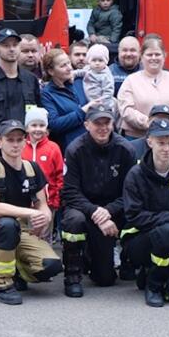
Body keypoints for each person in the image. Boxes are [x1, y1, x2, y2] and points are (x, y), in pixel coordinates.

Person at [0, 119, 61, 304]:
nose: (15, 144)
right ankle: (1, 284)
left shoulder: (32, 168)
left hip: (23, 230)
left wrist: (44, 218)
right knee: (7, 225)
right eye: (10, 139)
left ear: (25, 141)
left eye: (19, 139)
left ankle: (16, 271)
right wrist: (30, 213)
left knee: (51, 266)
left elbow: (43, 205)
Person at [120, 119, 169, 307]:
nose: (166, 148)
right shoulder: (135, 174)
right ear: (149, 142)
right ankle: (153, 285)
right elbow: (134, 216)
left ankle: (149, 275)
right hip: (139, 241)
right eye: (161, 143)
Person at [59, 104, 135, 296]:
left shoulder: (125, 149)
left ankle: (124, 261)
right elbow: (70, 192)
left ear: (113, 123)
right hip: (83, 208)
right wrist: (95, 212)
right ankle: (72, 275)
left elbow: (131, 192)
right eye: (97, 123)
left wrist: (108, 211)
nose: (103, 127)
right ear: (86, 125)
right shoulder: (75, 150)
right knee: (73, 221)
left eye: (107, 122)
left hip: (114, 210)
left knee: (105, 279)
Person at [116, 35, 169, 138]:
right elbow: (126, 109)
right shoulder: (130, 81)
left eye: (157, 54)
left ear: (164, 56)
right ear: (141, 57)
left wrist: (168, 125)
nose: (153, 58)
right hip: (136, 138)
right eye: (149, 54)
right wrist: (148, 122)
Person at [42, 48, 91, 149]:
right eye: (63, 66)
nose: (69, 68)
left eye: (68, 63)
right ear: (51, 71)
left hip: (92, 142)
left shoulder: (79, 82)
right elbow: (54, 124)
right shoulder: (47, 94)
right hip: (70, 147)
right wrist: (81, 112)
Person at [79, 43, 117, 113]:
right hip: (89, 101)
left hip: (101, 105)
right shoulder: (88, 69)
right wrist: (72, 74)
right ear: (89, 61)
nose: (97, 63)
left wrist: (102, 106)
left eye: (100, 60)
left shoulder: (106, 75)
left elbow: (108, 93)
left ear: (106, 62)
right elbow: (80, 72)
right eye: (94, 60)